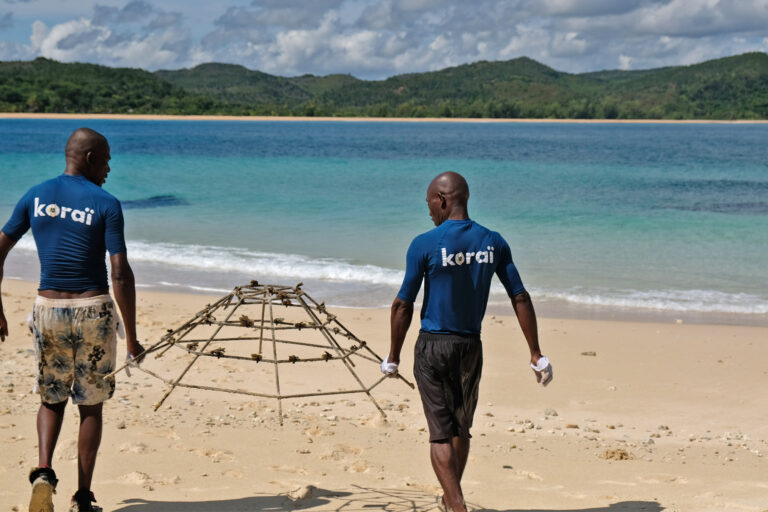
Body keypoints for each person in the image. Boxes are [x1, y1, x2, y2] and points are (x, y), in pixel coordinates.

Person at [382, 171, 553, 512]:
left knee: (440, 433)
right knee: (461, 426)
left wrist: (393, 356)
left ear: (442, 200)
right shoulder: (493, 242)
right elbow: (519, 296)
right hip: (471, 348)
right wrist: (535, 352)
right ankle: (451, 499)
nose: (429, 209)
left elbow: (404, 303)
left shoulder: (425, 244)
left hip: (433, 347)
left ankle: (456, 504)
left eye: (430, 202)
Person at [0, 127, 144, 512]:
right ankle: (82, 496)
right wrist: (131, 337)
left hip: (48, 310)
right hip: (92, 309)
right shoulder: (106, 202)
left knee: (51, 399)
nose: (110, 167)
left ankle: (44, 471)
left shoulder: (35, 195)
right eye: (108, 159)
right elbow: (120, 273)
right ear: (91, 158)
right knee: (91, 406)